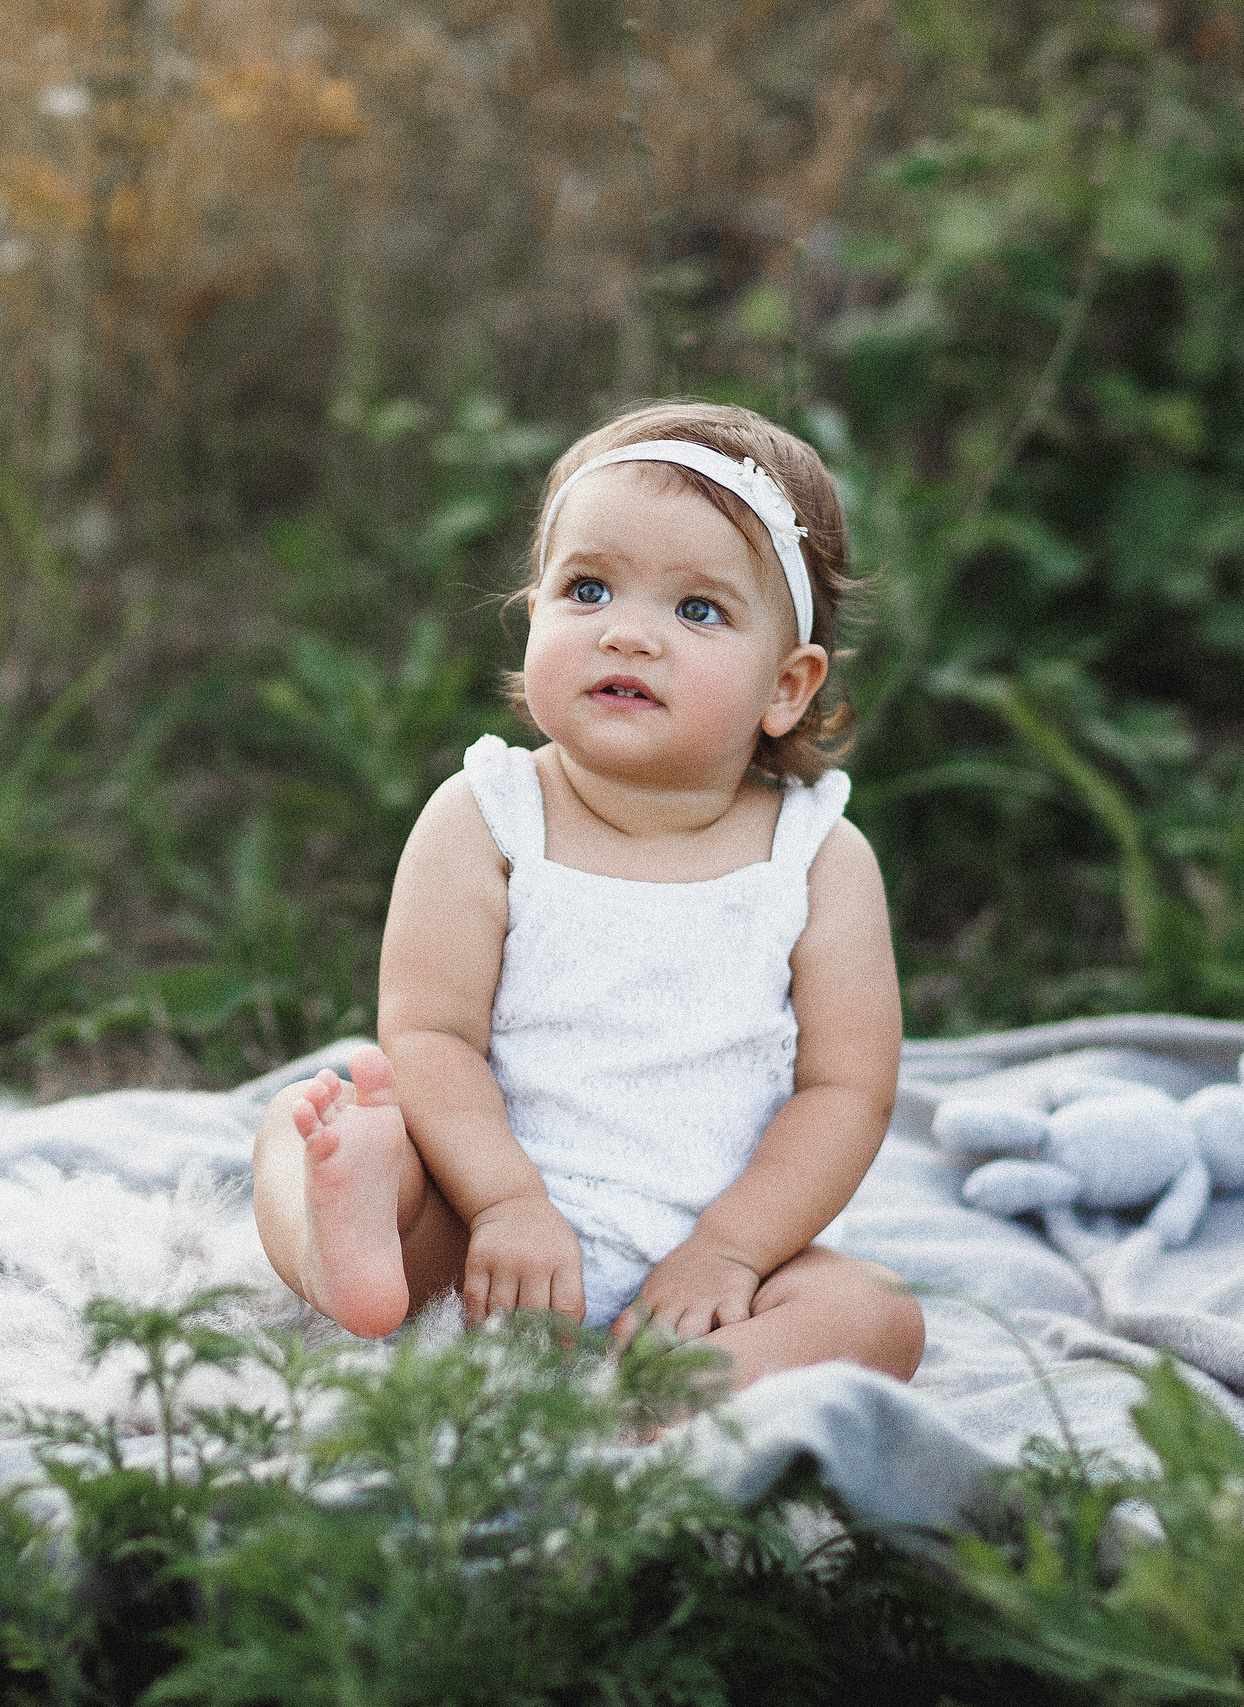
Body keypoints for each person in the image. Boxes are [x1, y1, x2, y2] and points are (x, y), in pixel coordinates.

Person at [251, 399, 922, 1388]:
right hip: (479, 1241)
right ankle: (344, 1258)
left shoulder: (818, 857)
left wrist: (731, 1250)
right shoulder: (487, 815)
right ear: (535, 619)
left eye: (697, 610)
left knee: (878, 1314)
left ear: (787, 686)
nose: (629, 635)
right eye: (589, 589)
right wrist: (506, 1203)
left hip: (705, 1266)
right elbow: (430, 1034)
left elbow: (846, 1092)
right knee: (307, 1121)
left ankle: (669, 1391)